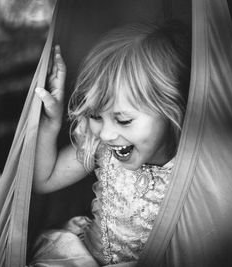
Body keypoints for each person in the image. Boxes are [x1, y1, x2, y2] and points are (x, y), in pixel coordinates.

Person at [31, 21, 190, 266]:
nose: (105, 134)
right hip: (83, 257)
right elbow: (44, 179)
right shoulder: (102, 148)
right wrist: (51, 123)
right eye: (95, 116)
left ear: (172, 112)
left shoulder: (191, 169)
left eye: (123, 120)